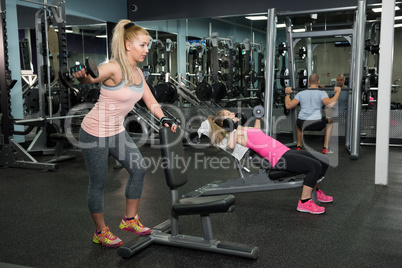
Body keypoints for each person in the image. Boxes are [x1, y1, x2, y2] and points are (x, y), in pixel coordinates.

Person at [72, 20, 177, 247]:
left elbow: (151, 101)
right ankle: (100, 231)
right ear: (128, 45)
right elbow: (92, 77)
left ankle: (129, 219)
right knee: (99, 181)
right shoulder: (113, 67)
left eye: (147, 45)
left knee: (138, 168)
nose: (147, 49)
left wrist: (165, 118)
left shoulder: (138, 73)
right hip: (94, 132)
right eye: (143, 45)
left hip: (116, 131)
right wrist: (83, 78)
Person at [207, 110, 333, 215]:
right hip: (278, 158)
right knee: (314, 166)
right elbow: (231, 145)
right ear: (226, 122)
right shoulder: (236, 134)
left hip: (284, 150)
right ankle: (304, 202)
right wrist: (231, 130)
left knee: (323, 160)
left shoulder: (243, 128)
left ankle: (315, 191)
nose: (233, 113)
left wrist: (258, 117)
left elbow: (257, 131)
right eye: (229, 114)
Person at [284, 73, 341, 154]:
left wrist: (287, 94)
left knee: (298, 124)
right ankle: (325, 148)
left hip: (302, 123)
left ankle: (299, 146)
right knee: (330, 121)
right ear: (318, 82)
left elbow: (288, 106)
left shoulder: (301, 93)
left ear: (308, 82)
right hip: (316, 123)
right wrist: (338, 92)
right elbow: (330, 104)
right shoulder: (322, 93)